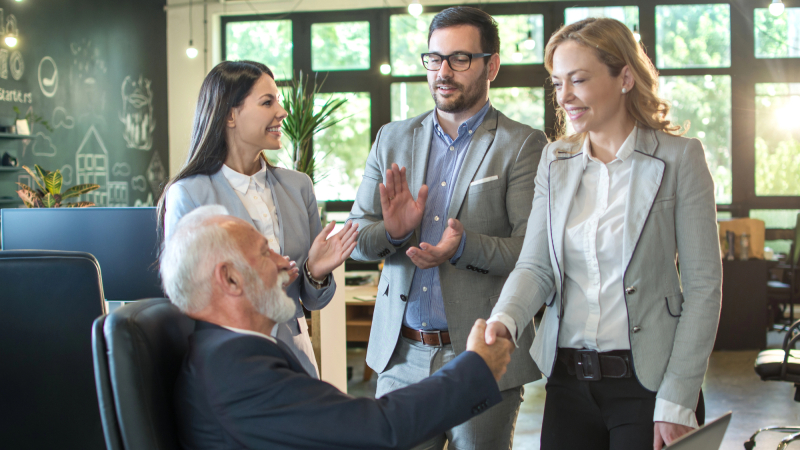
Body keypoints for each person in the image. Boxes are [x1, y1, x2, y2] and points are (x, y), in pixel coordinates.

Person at [484, 18, 722, 450]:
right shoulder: (555, 161)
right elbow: (536, 265)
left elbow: (704, 287)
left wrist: (678, 398)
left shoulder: (680, 159)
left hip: (649, 384)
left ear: (625, 77)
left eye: (578, 80)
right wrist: (505, 320)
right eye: (557, 83)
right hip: (567, 382)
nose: (565, 97)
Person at [348, 6, 547, 449]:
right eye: (435, 59)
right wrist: (395, 233)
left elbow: (532, 252)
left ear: (491, 65)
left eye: (460, 59)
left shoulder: (523, 145)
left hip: (479, 354)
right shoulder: (391, 138)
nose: (443, 71)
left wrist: (460, 248)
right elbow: (356, 239)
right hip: (400, 358)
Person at [162, 205, 516, 450]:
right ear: (230, 279)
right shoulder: (234, 369)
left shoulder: (229, 351)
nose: (287, 263)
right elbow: (377, 430)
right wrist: (476, 368)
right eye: (265, 253)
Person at [157, 61, 358, 378]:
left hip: (295, 355)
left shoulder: (298, 187)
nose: (282, 112)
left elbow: (312, 299)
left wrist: (315, 273)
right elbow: (186, 297)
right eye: (268, 102)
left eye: (277, 101)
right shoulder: (188, 194)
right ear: (230, 115)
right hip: (228, 360)